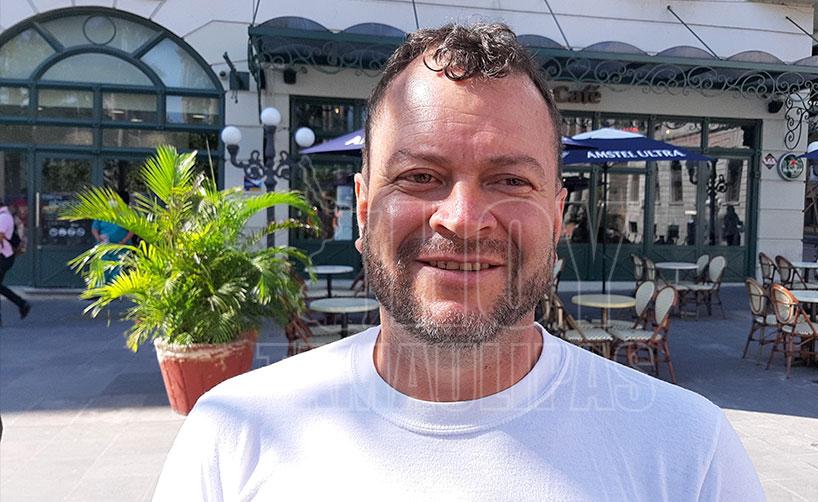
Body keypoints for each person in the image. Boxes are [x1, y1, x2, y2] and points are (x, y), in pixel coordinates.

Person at [154, 23, 763, 500]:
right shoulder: (232, 435)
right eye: (420, 176)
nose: (463, 218)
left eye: (510, 180)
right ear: (363, 210)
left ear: (557, 216)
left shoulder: (690, 453)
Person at [90, 190, 134, 284]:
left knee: (117, 271)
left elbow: (133, 229)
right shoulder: (103, 213)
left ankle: (114, 288)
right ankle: (100, 288)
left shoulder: (128, 214)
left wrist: (124, 240)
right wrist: (98, 238)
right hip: (104, 247)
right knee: (102, 270)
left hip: (120, 248)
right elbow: (95, 228)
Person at [0, 200, 30, 322]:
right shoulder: (4, 216)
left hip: (3, 257)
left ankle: (22, 303)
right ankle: (21, 304)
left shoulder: (4, 217)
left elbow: (0, 236)